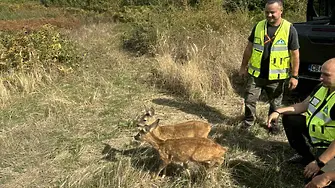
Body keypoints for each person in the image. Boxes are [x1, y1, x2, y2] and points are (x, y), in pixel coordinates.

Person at [267, 58, 335, 187]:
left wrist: (320, 162)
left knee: (316, 181)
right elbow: (304, 105)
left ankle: (318, 163)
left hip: (331, 146)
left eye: (326, 75)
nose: (321, 78)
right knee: (290, 118)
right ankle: (305, 156)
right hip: (319, 136)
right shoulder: (322, 87)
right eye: (321, 74)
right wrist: (279, 111)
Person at [239, 0, 300, 131]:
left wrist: (294, 76)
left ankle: (272, 125)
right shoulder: (259, 26)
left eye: (272, 12)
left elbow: (295, 54)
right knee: (249, 99)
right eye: (267, 12)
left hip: (277, 77)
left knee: (275, 104)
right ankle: (248, 122)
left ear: (281, 11)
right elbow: (249, 48)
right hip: (256, 74)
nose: (269, 15)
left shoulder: (290, 29)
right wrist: (243, 67)